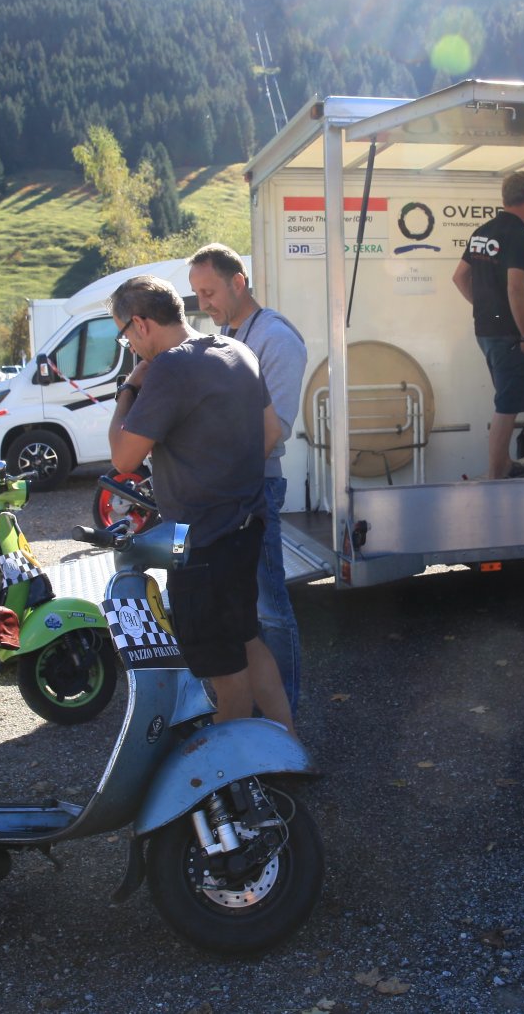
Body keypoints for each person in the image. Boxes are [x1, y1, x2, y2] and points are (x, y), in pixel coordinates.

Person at [106, 274, 294, 733]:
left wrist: (128, 388)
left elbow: (123, 458)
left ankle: (232, 770)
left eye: (126, 335)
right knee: (248, 640)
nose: (131, 345)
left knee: (224, 671)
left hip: (201, 543)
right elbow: (272, 431)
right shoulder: (236, 350)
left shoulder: (168, 369)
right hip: (246, 527)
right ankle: (290, 747)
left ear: (141, 324)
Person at [188, 243, 307, 714]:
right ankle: (259, 715)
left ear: (239, 282)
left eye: (210, 292)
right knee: (245, 610)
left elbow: (271, 431)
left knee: (269, 609)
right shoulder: (230, 333)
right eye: (197, 294)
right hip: (230, 490)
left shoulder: (276, 338)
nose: (204, 304)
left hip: (255, 487)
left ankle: (283, 723)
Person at [453, 170, 524, 480]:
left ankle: (502, 464)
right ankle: (497, 472)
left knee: (505, 397)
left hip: (486, 330)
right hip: (509, 335)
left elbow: (459, 277)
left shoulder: (482, 231)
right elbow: (515, 287)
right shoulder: (518, 235)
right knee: (507, 404)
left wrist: (483, 308)